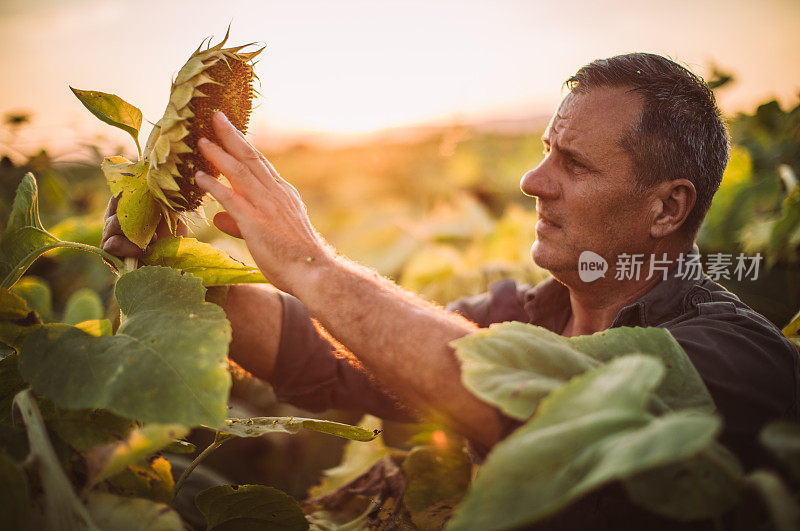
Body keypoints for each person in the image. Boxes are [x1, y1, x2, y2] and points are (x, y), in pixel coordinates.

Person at [103, 51, 797, 490]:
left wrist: (313, 264)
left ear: (667, 207)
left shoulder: (736, 355)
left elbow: (541, 408)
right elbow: (326, 358)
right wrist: (176, 266)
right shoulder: (526, 313)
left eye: (574, 164)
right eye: (545, 150)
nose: (532, 180)